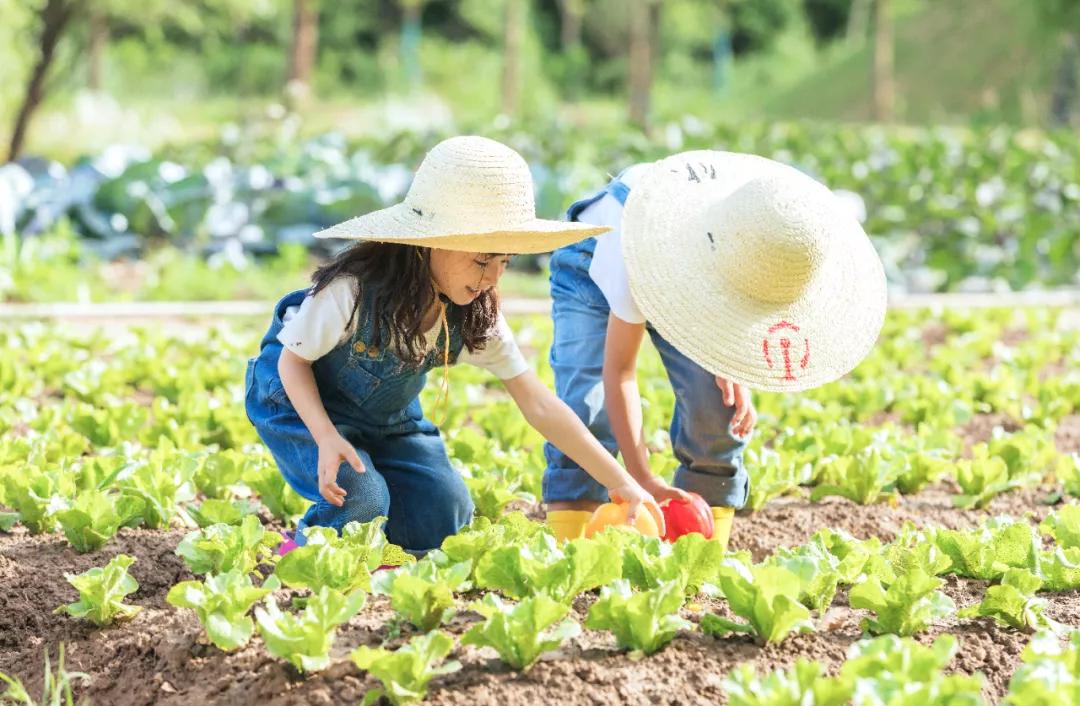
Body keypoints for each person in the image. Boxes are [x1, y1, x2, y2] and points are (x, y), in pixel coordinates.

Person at [244, 135, 666, 556]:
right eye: (483, 260)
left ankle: (378, 551)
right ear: (430, 240)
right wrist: (325, 437)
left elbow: (539, 404)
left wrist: (621, 481)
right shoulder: (351, 291)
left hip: (386, 420)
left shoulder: (476, 313)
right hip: (297, 403)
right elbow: (292, 363)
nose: (493, 278)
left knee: (446, 511)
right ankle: (305, 553)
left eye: (503, 262)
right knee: (362, 497)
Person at [543, 150, 888, 550]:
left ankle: (699, 550)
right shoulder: (635, 254)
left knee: (719, 407)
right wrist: (641, 476)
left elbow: (735, 302)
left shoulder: (759, 235)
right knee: (586, 410)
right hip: (594, 259)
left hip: (705, 262)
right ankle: (574, 546)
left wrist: (728, 360)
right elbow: (619, 372)